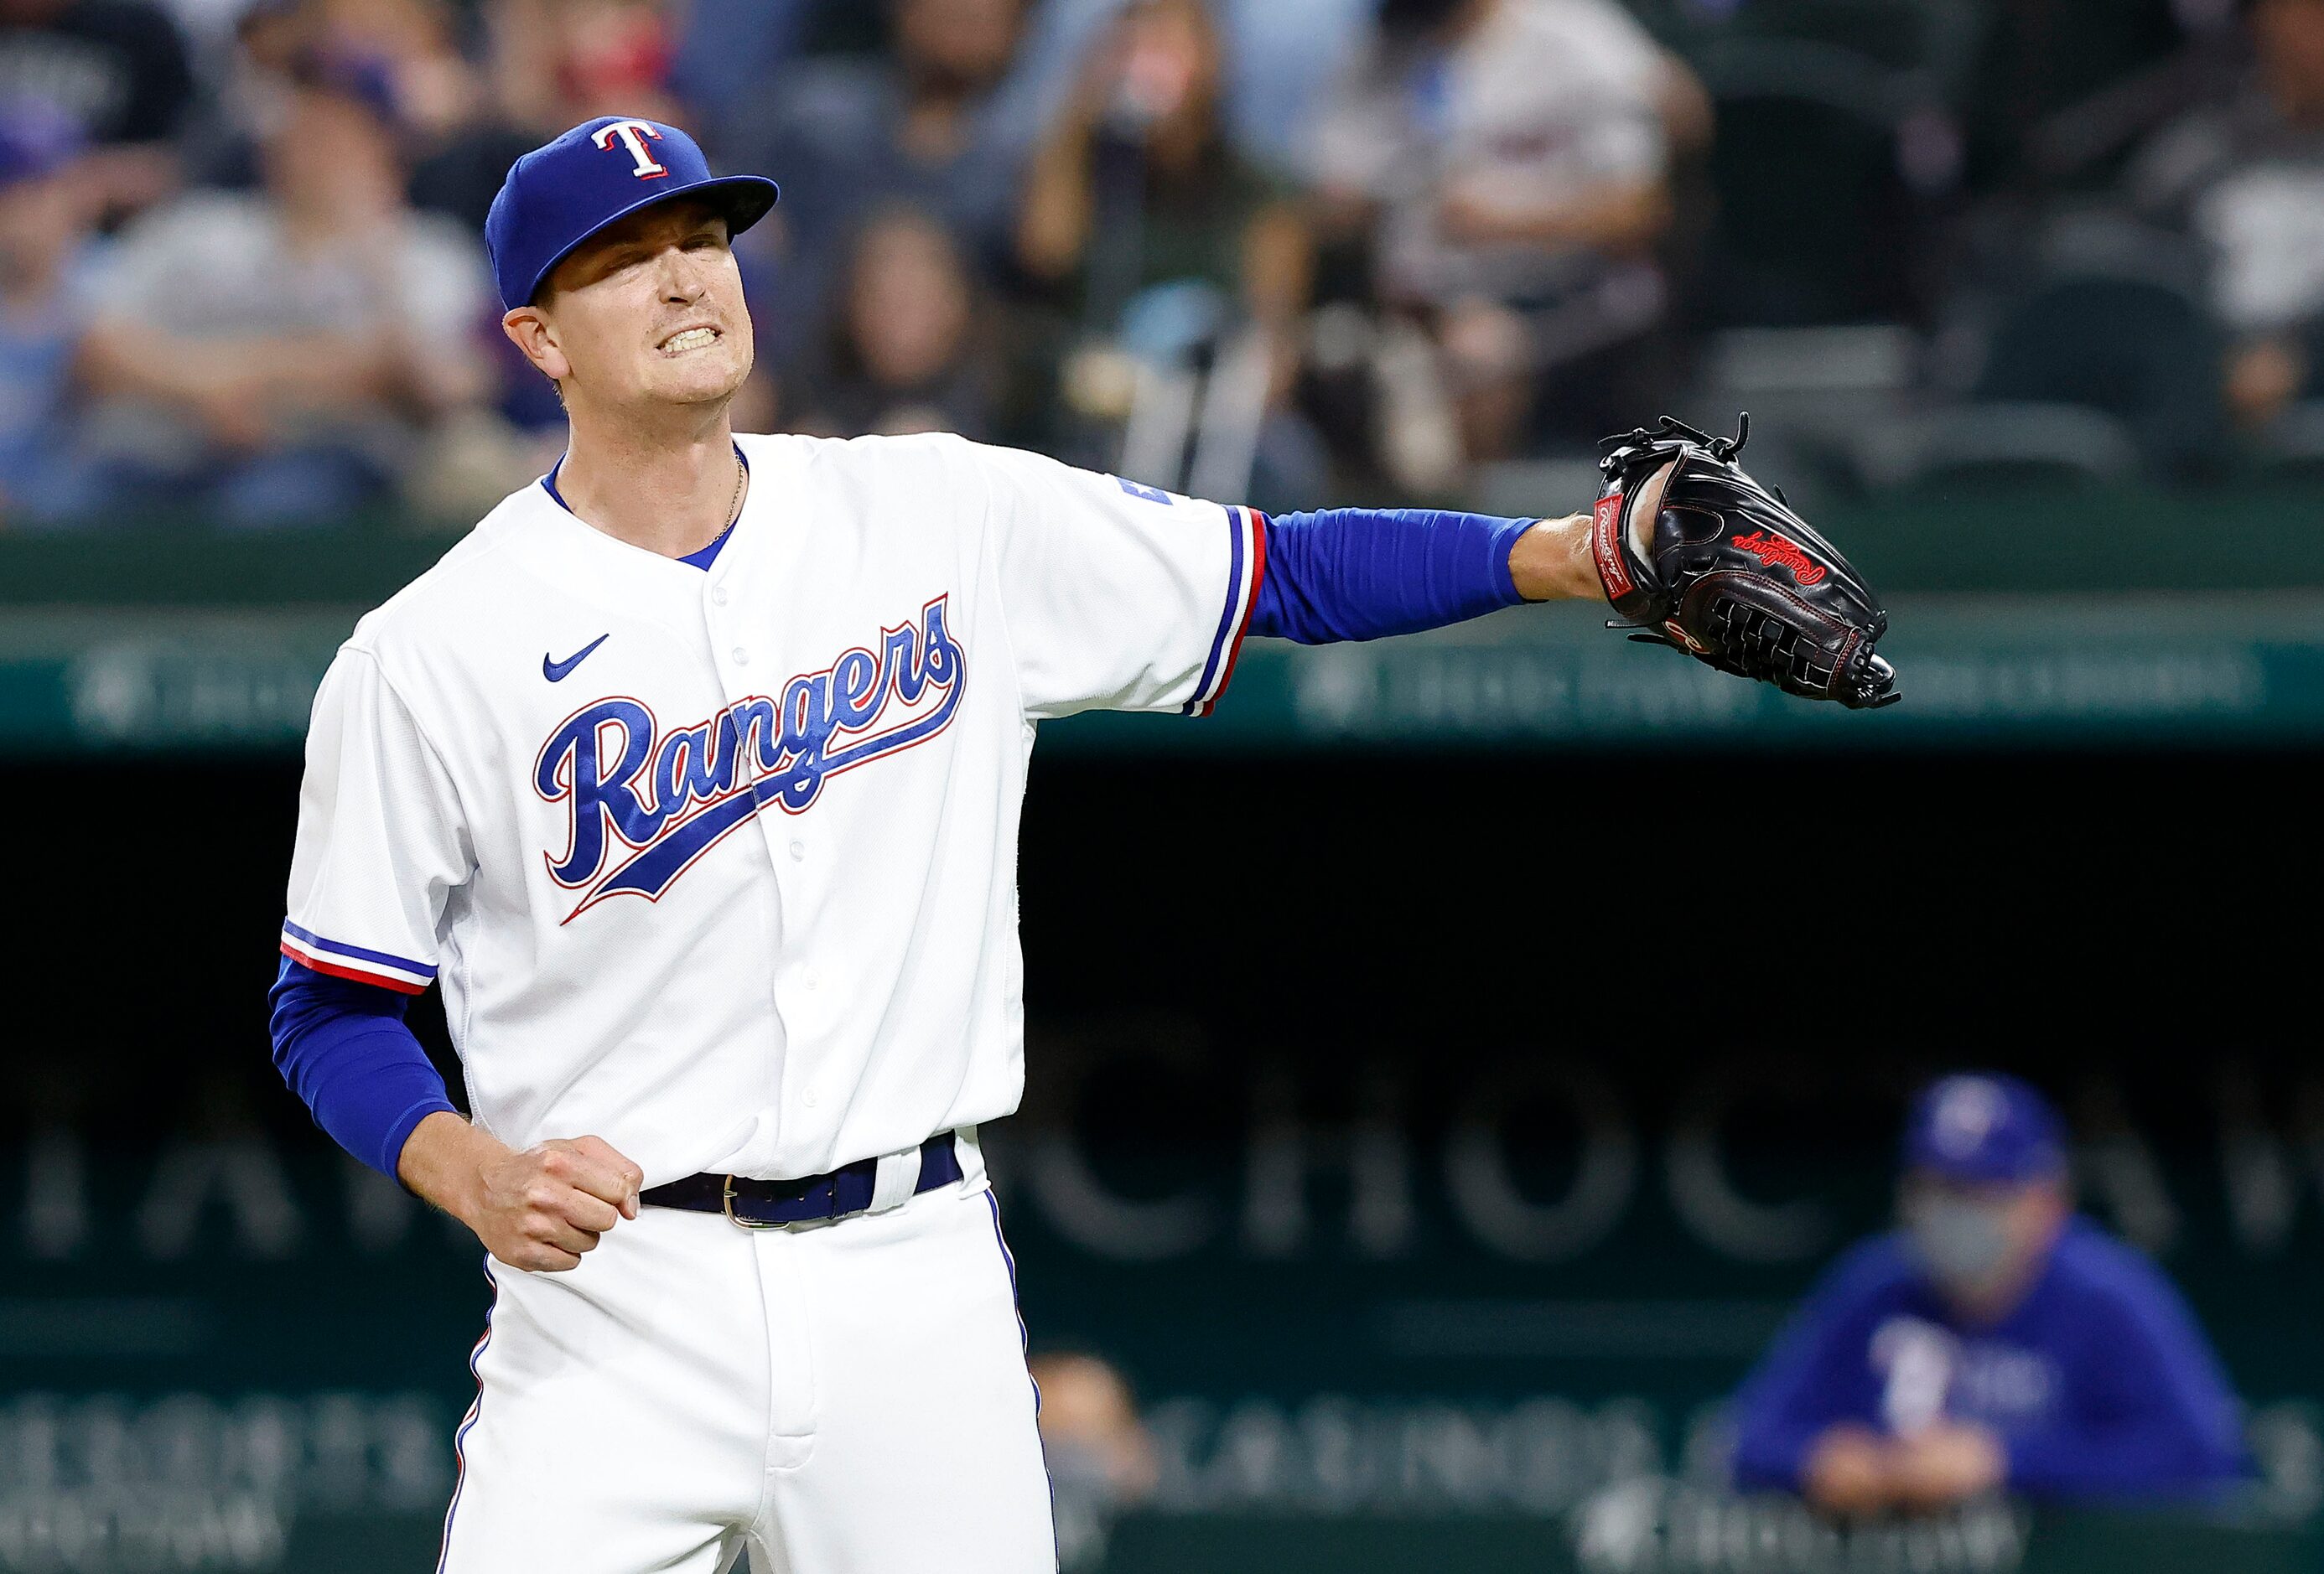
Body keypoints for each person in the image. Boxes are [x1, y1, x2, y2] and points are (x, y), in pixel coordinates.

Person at [263, 114, 1733, 1570]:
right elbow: (331, 1001)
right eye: (625, 260)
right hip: (616, 1297)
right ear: (538, 337)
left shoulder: (930, 509)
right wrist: (463, 1167)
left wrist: (1557, 555)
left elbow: (1271, 571)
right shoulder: (430, 650)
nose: (684, 278)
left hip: (912, 1280)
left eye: (703, 240)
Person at [1730, 1074, 2247, 1516]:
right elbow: (1748, 1440)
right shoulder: (1875, 1285)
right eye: (1935, 1188)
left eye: (1981, 1193)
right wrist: (1820, 1461)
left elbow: (2204, 1458)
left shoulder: (2107, 1295)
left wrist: (2005, 1463)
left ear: (2047, 1201)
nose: (1954, 1213)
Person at [78, 67, 492, 526]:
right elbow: (99, 346)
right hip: (169, 442)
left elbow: (434, 385)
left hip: (332, 455)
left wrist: (371, 252)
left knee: (262, 511)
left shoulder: (427, 253)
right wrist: (203, 389)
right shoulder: (199, 228)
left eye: (339, 134)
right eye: (303, 129)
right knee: (69, 498)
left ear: (386, 148)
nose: (313, 152)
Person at [1308, 0, 1702, 464]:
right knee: (1330, 358)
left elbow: (1641, 207)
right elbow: (1326, 199)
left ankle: (1494, 525)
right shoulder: (1378, 50)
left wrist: (1507, 222)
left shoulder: (1571, 32)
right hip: (1418, 308)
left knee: (1478, 354)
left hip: (1565, 300)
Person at [2130, 0, 2324, 430]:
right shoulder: (2194, 159)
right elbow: (2145, 300)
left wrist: (2302, 352)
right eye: (2311, 13)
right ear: (2267, 20)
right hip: (2198, 429)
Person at [0, 101, 106, 525]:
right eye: (14, 192)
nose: (26, 211)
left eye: (45, 188)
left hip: (80, 520)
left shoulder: (113, 279)